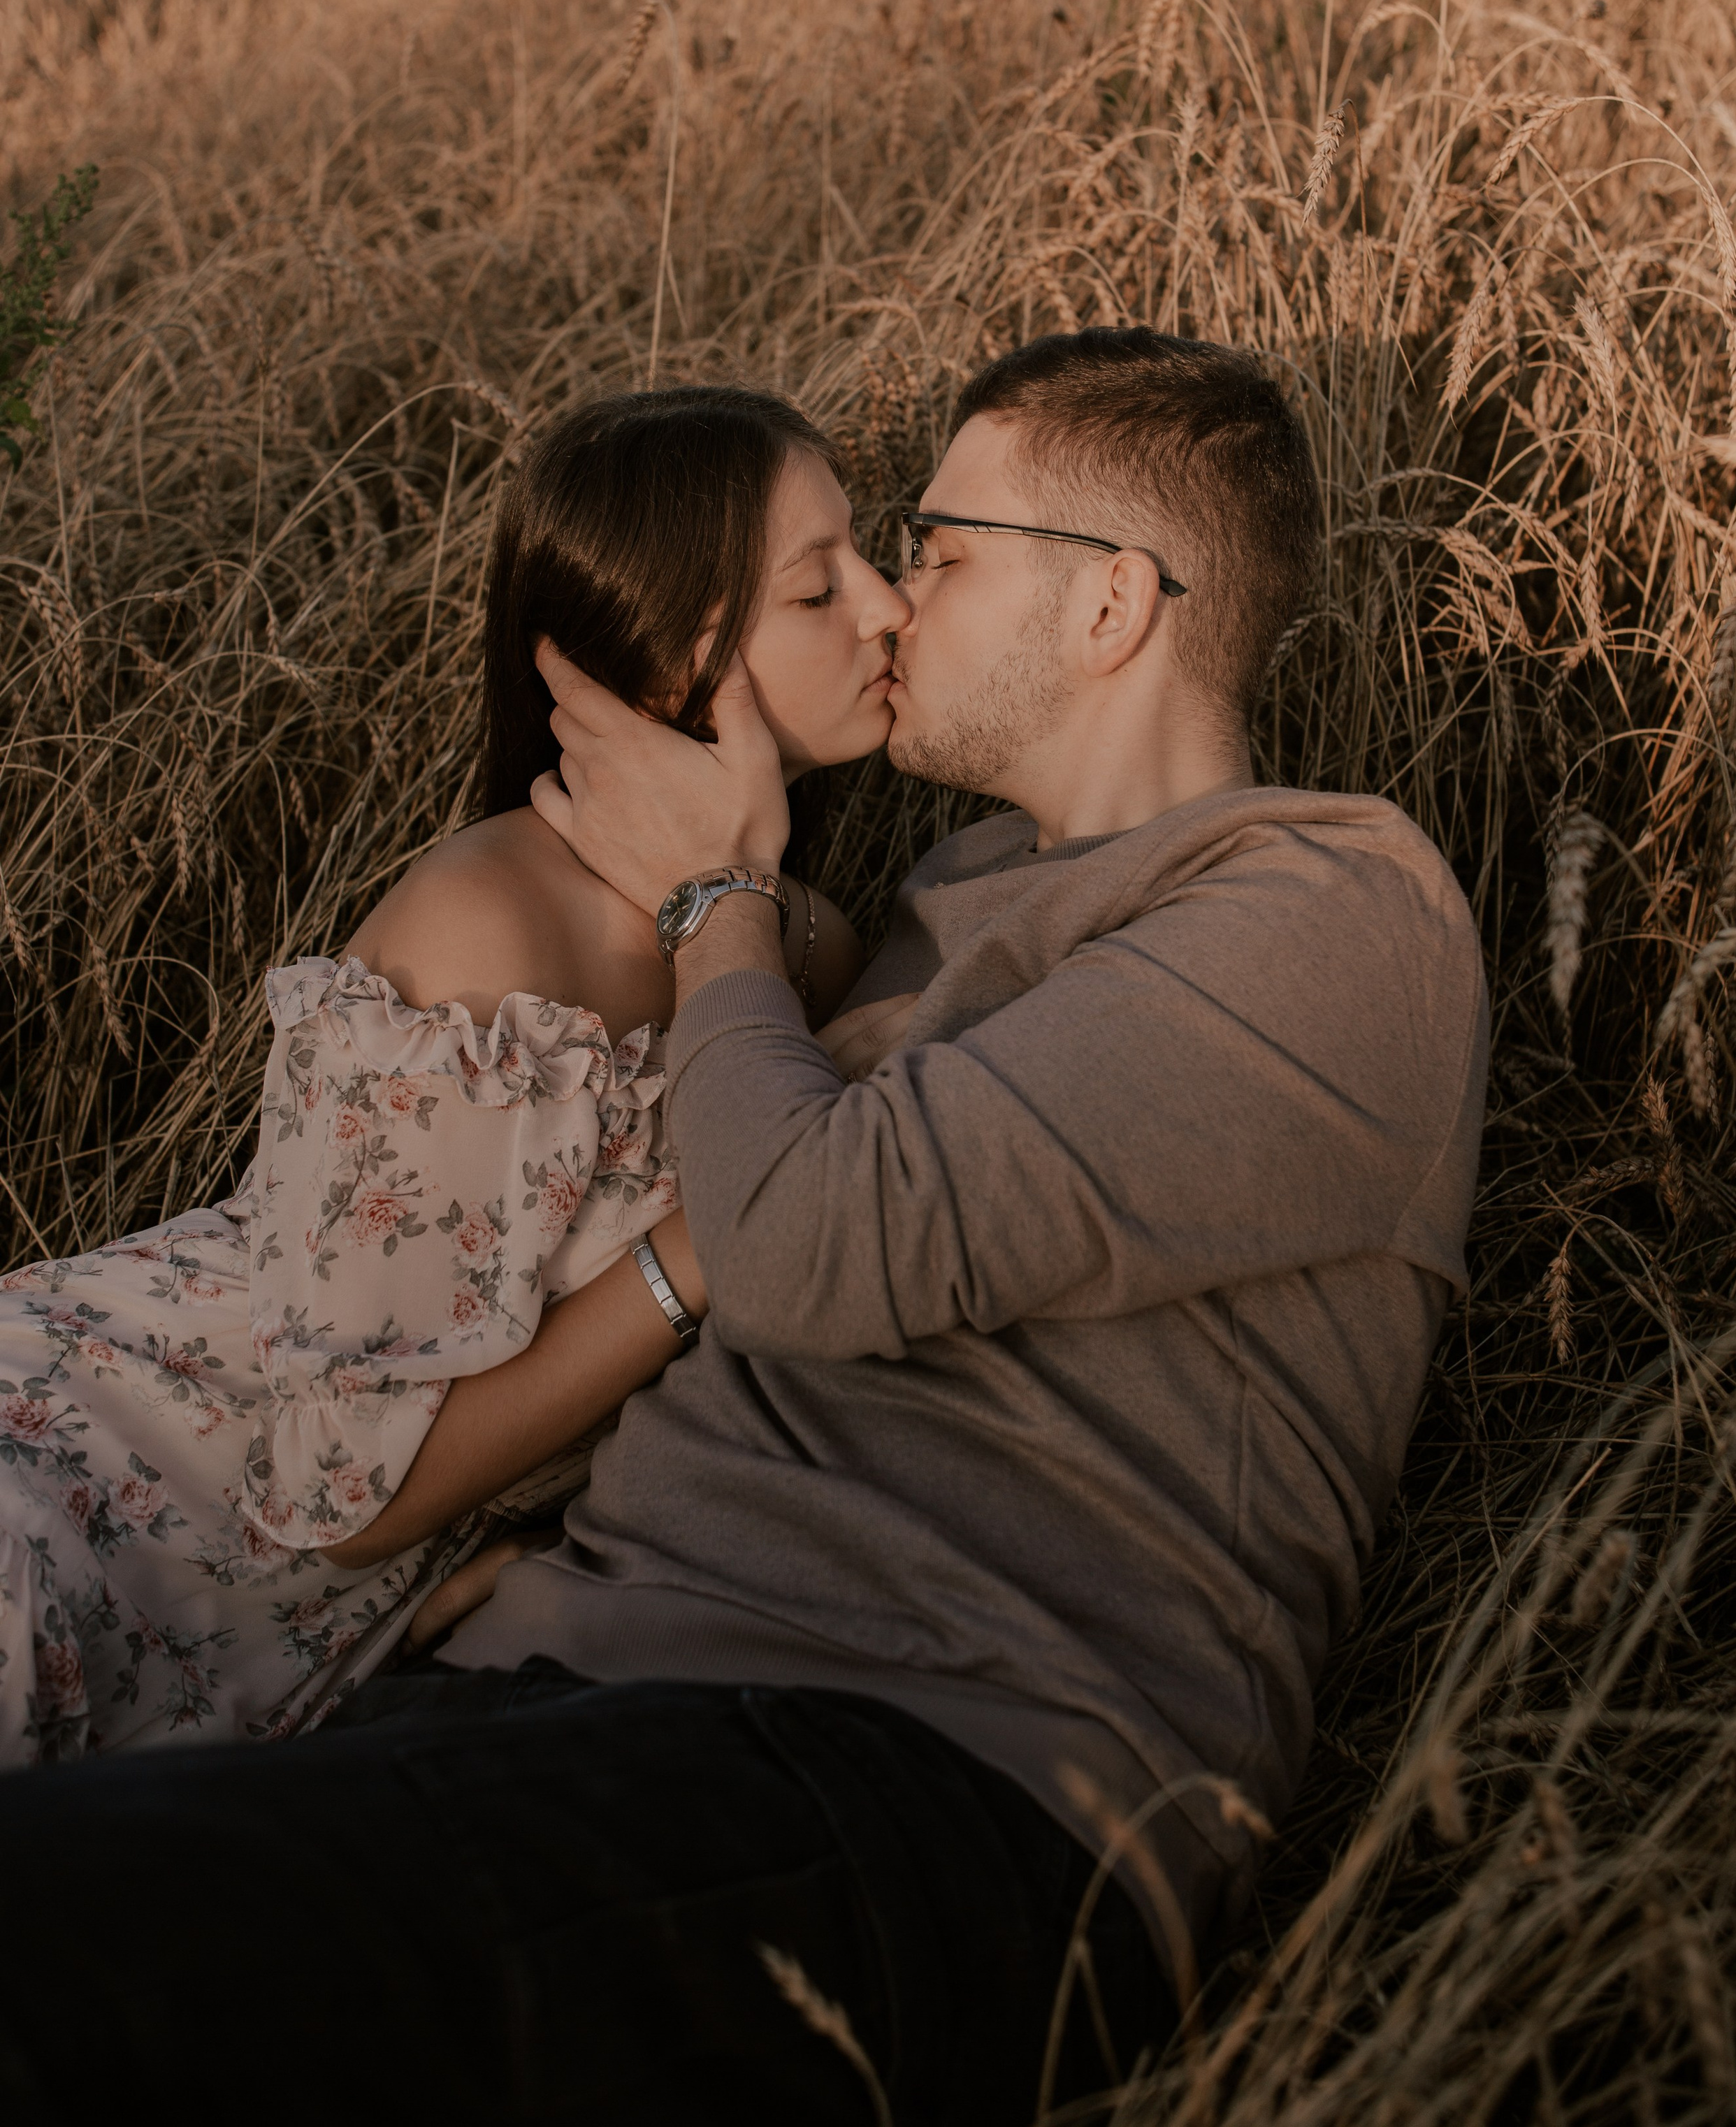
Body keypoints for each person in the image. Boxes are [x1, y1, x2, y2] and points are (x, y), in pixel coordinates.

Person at [0, 330, 1488, 2127]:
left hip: (895, 1763)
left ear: (1110, 604)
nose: (896, 604)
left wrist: (717, 899)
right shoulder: (933, 908)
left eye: (939, 551)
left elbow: (794, 1247)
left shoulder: (1319, 900)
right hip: (555, 1696)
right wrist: (516, 1566)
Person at [0, 386, 892, 1762]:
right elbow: (339, 1491)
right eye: (820, 589)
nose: (888, 608)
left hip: (272, 1625)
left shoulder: (797, 934)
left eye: (869, 561)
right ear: (676, 669)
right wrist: (723, 1222)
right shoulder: (488, 933)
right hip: (96, 1479)